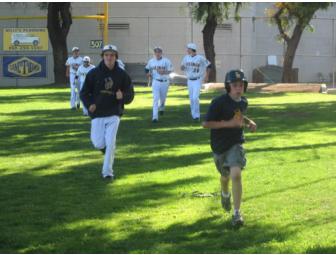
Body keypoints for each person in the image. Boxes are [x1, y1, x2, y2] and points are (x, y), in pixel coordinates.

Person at [202, 69, 257, 227]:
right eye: (235, 85)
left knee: (236, 174)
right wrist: (228, 124)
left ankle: (237, 213)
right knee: (225, 177)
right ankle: (225, 192)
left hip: (235, 143)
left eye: (241, 85)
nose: (238, 88)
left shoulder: (243, 102)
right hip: (219, 146)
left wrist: (248, 122)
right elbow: (206, 124)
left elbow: (238, 115)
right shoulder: (218, 103)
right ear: (228, 86)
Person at [80, 44, 134, 180]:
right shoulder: (93, 73)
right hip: (97, 113)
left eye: (112, 55)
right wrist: (89, 104)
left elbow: (130, 94)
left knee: (111, 142)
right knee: (97, 143)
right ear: (102, 56)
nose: (109, 58)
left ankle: (107, 172)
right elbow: (84, 92)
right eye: (106, 55)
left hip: (114, 113)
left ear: (116, 57)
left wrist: (124, 97)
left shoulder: (122, 75)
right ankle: (105, 151)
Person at [181, 43, 211, 121]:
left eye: (188, 48)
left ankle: (197, 115)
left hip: (197, 80)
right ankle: (193, 114)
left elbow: (209, 65)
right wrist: (182, 67)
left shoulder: (200, 58)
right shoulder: (186, 58)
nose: (187, 50)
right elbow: (182, 67)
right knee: (191, 98)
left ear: (191, 49)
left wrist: (207, 76)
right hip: (189, 80)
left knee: (195, 97)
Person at [145, 46, 173, 122]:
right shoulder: (151, 61)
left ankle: (162, 107)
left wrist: (164, 72)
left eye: (159, 52)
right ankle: (155, 117)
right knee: (155, 99)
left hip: (165, 81)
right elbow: (147, 68)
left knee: (163, 99)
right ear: (154, 53)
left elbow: (171, 70)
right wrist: (147, 74)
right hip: (156, 81)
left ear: (161, 53)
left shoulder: (166, 61)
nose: (157, 53)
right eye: (156, 52)